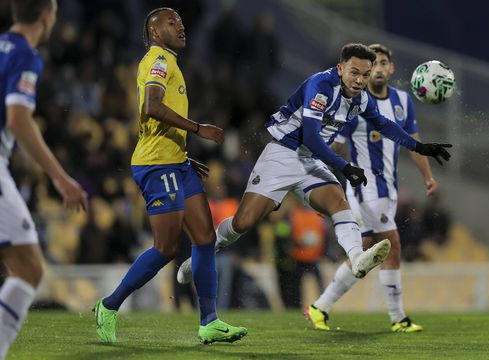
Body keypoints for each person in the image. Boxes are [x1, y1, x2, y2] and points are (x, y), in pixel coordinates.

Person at [177, 44, 451, 293]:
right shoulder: (320, 86)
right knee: (243, 222)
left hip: (311, 161)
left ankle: (357, 258)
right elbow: (310, 136)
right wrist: (344, 167)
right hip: (282, 155)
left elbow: (382, 123)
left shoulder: (360, 97)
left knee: (338, 202)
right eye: (355, 72)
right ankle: (201, 254)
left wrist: (419, 147)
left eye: (365, 75)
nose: (360, 80)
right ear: (341, 68)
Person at [93, 7, 247, 345]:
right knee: (167, 248)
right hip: (155, 166)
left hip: (176, 162)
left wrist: (184, 154)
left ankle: (209, 321)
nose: (181, 26)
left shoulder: (170, 61)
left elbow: (159, 120)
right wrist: (198, 129)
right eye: (172, 22)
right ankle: (108, 305)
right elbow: (152, 105)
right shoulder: (158, 61)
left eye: (182, 21)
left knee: (205, 238)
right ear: (154, 30)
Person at [306, 44, 438, 332]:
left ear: (390, 69)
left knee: (365, 254)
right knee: (392, 245)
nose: (378, 68)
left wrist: (427, 175)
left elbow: (411, 141)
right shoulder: (355, 102)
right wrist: (321, 191)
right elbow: (336, 146)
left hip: (388, 190)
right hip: (365, 189)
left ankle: (320, 307)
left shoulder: (403, 101)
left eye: (383, 63)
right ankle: (398, 318)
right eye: (373, 64)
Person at [0, 0, 88, 358]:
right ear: (46, 16)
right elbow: (18, 120)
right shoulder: (25, 55)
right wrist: (60, 178)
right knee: (30, 268)